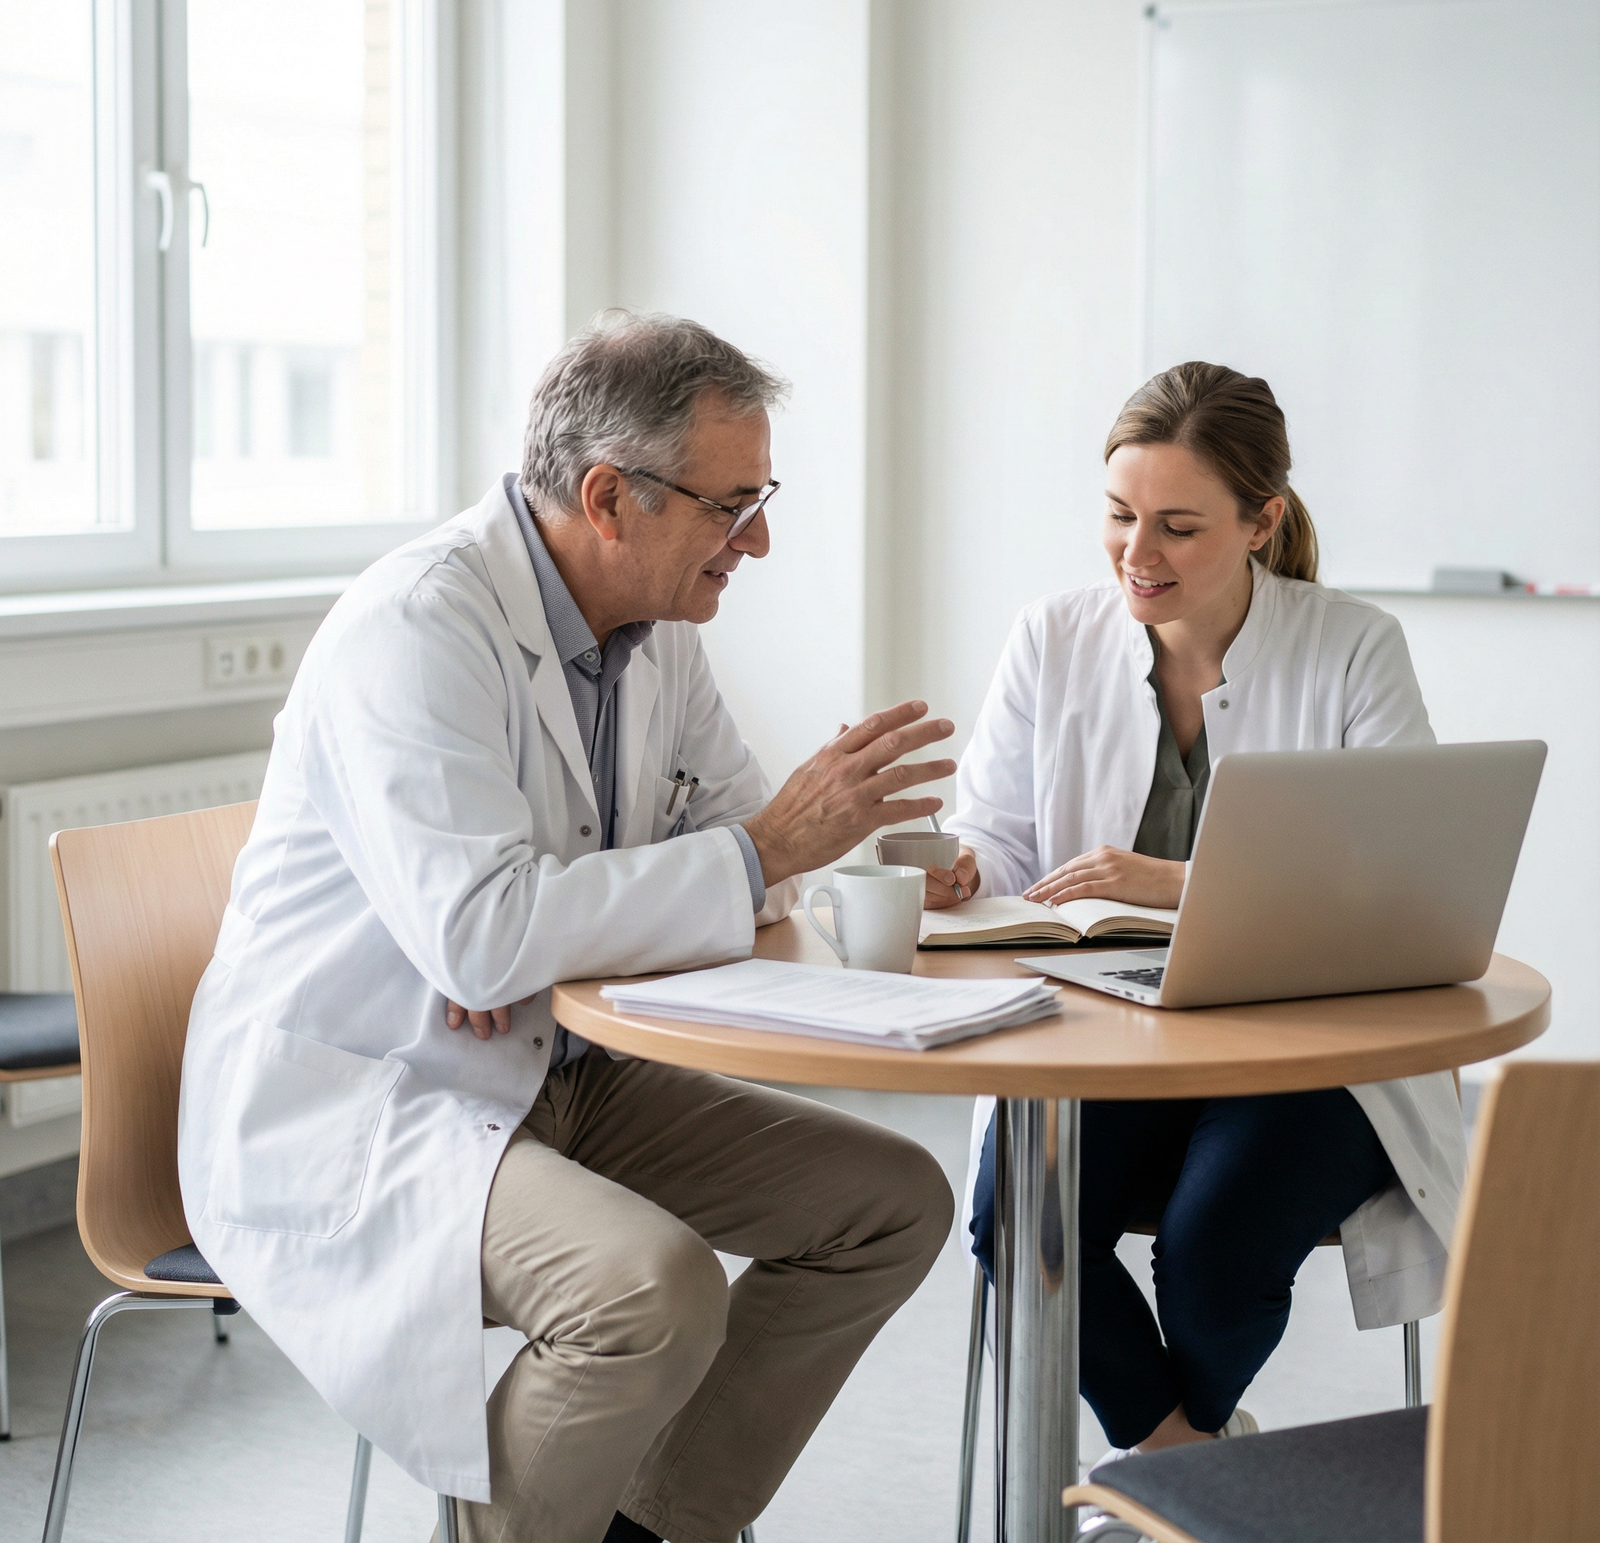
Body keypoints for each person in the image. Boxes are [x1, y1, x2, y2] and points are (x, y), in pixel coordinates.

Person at [177, 312, 957, 1543]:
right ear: (609, 496)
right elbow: (508, 932)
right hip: (377, 1089)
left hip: (556, 1059)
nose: (758, 539)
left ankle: (651, 1529)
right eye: (730, 503)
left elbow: (739, 875)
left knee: (894, 1200)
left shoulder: (658, 632)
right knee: (648, 1292)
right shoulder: (419, 629)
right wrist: (603, 905)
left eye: (763, 497)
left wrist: (569, 922)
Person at [929, 362, 1466, 1463]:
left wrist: (1173, 881)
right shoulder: (1052, 635)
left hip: (1306, 1046)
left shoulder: (1352, 645)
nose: (1137, 554)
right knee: (1016, 1216)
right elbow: (1000, 846)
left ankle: (1172, 1469)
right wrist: (957, 867)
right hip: (1102, 1026)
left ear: (1261, 520)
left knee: (1212, 1247)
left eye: (1177, 526)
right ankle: (1190, 1465)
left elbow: (1401, 884)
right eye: (1120, 516)